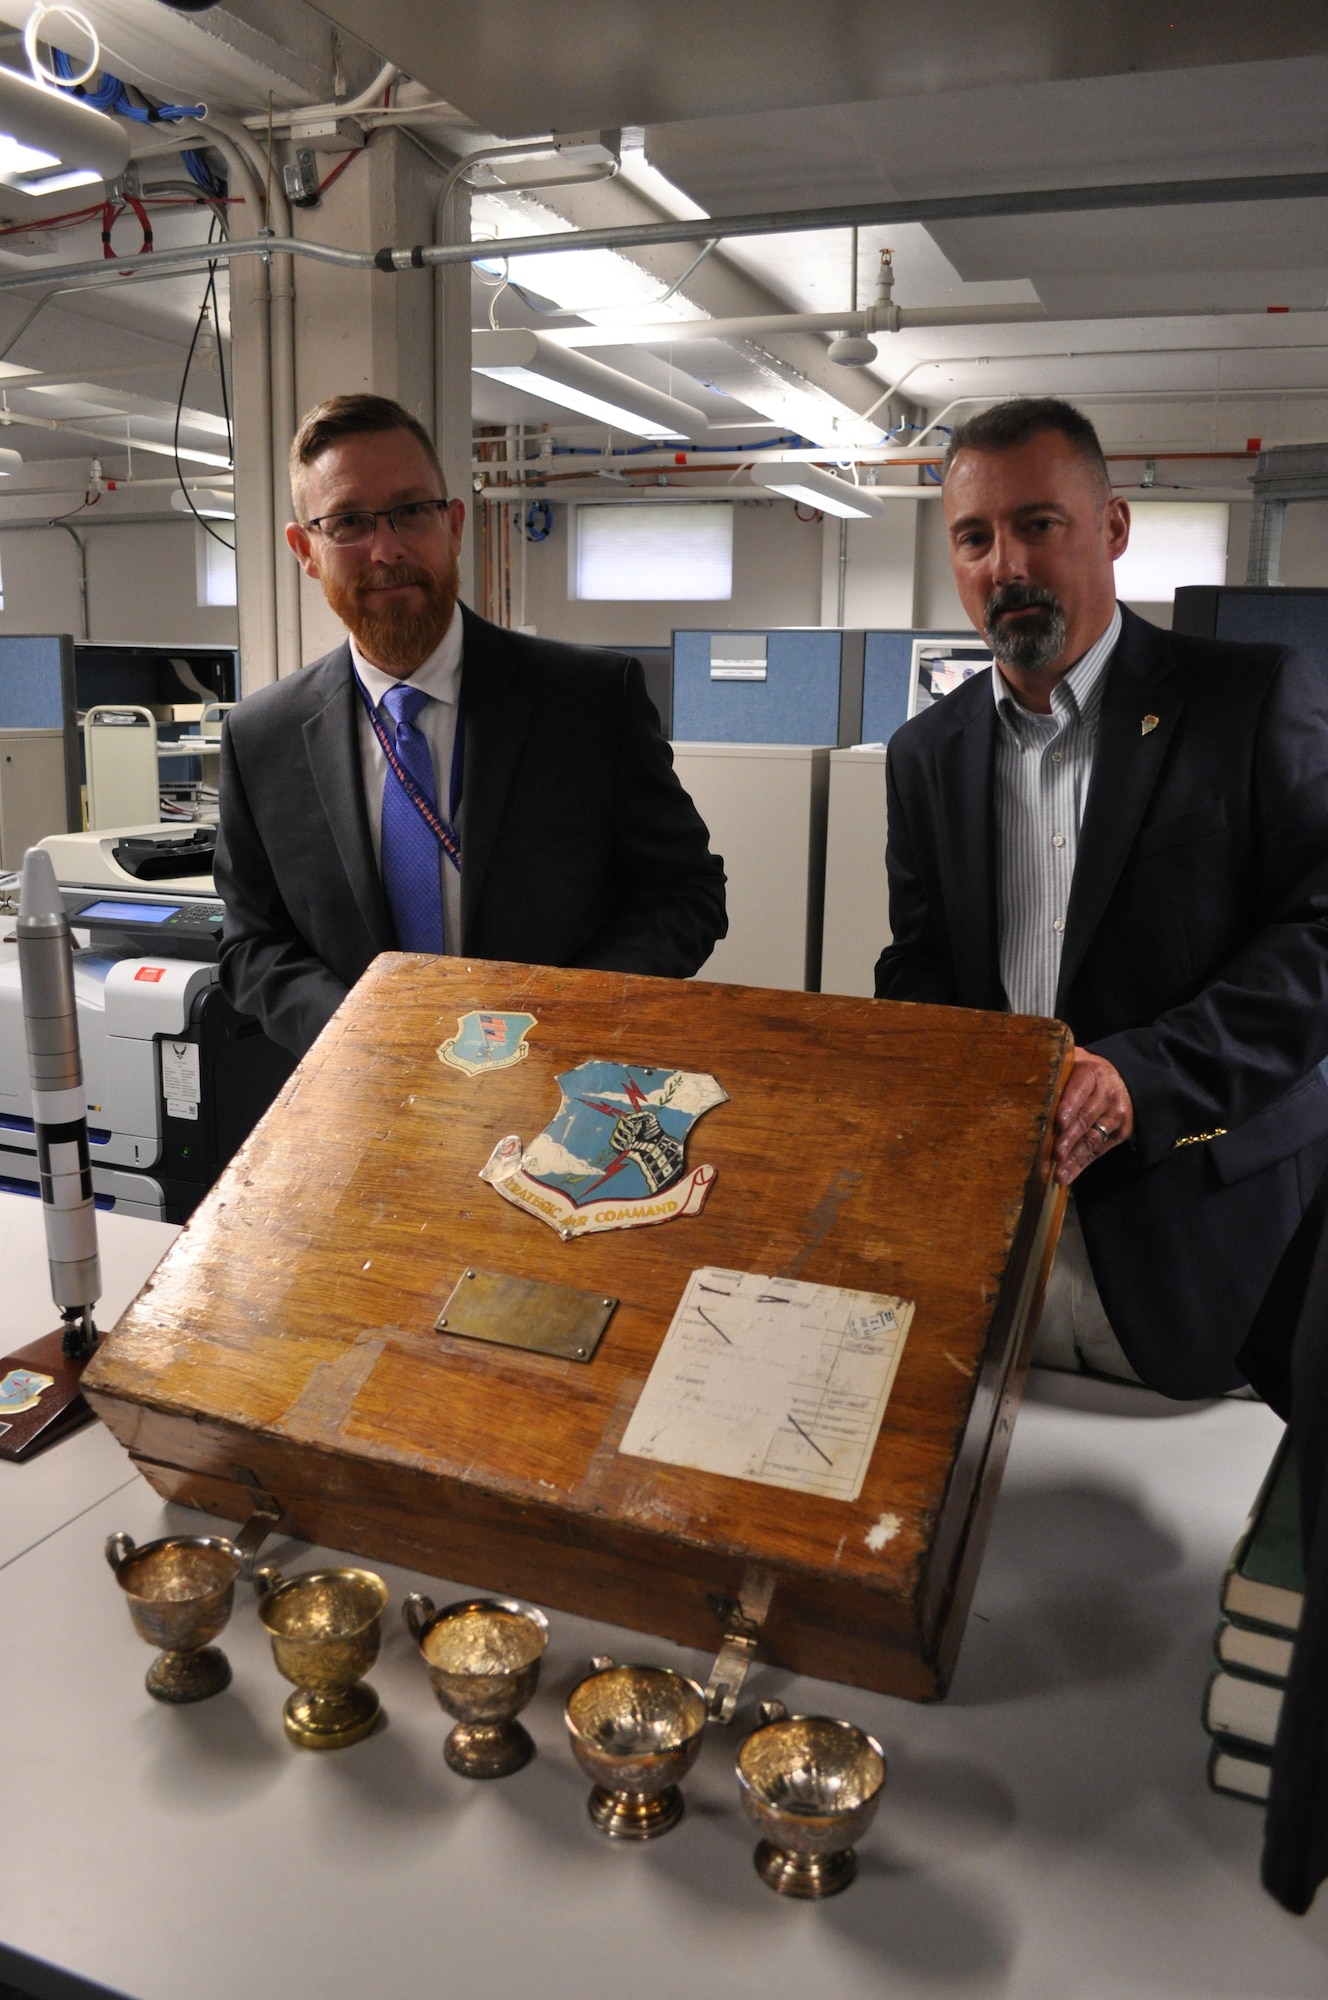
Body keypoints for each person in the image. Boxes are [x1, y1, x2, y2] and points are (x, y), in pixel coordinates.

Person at [874, 396, 1328, 1398]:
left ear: (1111, 527)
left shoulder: (1247, 700)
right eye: (974, 536)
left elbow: (1313, 935)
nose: (1008, 567)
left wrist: (1138, 1079)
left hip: (1203, 1252)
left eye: (1038, 524)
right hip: (1001, 1248)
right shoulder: (925, 755)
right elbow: (922, 959)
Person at [215, 394, 726, 1057]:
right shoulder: (263, 738)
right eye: (347, 522)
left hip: (560, 1079)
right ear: (305, 549)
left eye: (409, 512)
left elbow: (685, 893)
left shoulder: (591, 700)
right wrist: (358, 1033)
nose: (386, 548)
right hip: (361, 1089)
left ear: (453, 525)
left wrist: (563, 1018)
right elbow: (251, 941)